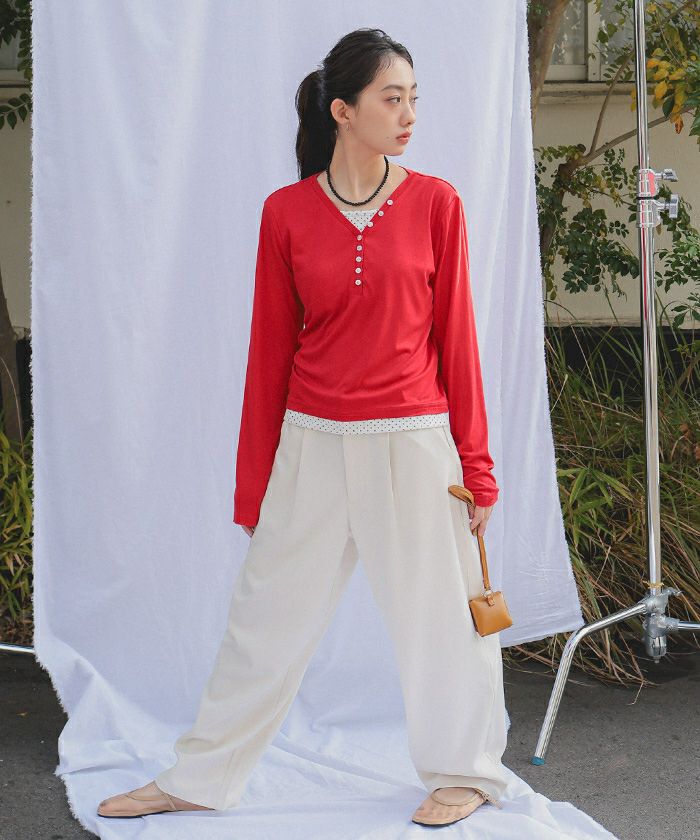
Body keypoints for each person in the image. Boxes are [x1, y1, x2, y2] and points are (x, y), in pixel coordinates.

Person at [97, 27, 510, 829]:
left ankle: (464, 773)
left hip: (414, 446)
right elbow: (269, 358)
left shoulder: (437, 204)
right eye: (393, 98)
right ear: (343, 110)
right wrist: (255, 486)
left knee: (443, 623)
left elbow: (458, 344)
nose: (409, 114)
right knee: (262, 624)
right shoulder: (285, 213)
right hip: (312, 444)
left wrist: (479, 469)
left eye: (414, 98)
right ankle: (198, 776)